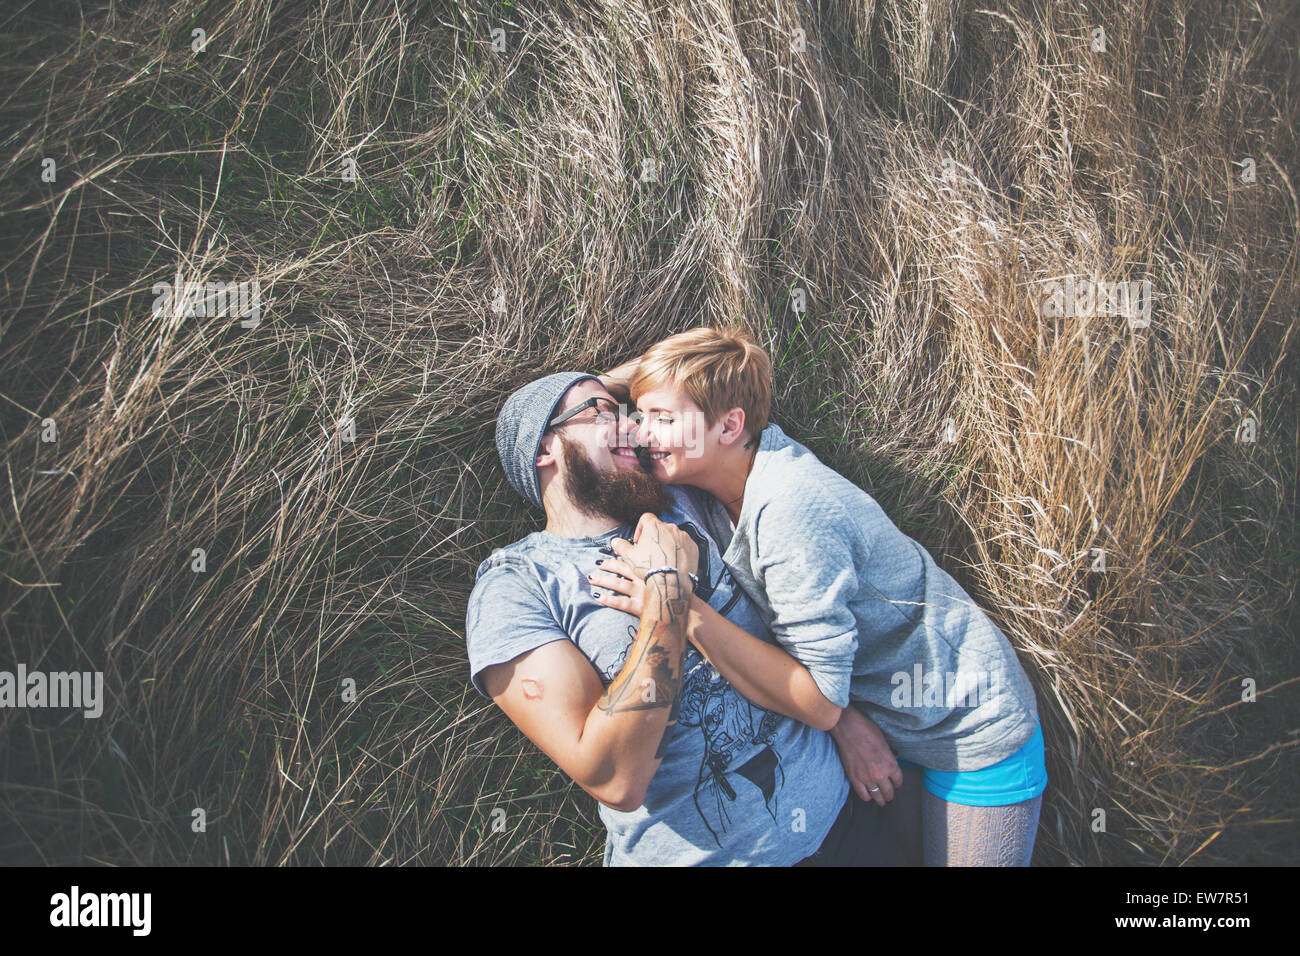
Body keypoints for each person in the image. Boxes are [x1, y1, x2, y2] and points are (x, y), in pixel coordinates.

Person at [593, 327, 1047, 866]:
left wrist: (679, 609)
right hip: (893, 726)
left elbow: (820, 699)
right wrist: (593, 389)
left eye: (663, 419)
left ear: (731, 424)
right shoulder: (714, 479)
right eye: (640, 416)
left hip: (968, 726)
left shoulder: (789, 509)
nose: (643, 434)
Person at [464, 371, 921, 865]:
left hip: (846, 819)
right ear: (542, 447)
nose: (632, 427)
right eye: (603, 412)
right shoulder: (517, 585)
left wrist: (837, 717)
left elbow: (703, 367)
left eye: (629, 413)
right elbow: (614, 779)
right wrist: (666, 595)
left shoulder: (684, 499)